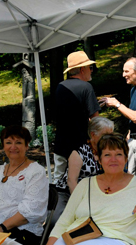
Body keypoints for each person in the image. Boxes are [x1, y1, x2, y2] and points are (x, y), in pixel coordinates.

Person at [52, 116, 114, 227]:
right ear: (93, 135)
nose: (110, 138)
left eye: (111, 135)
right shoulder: (80, 150)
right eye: (106, 135)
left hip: (95, 195)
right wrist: (82, 203)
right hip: (68, 193)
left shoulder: (108, 152)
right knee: (57, 221)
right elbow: (71, 180)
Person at [53, 51, 101, 183]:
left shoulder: (60, 87)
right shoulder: (86, 87)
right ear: (82, 69)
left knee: (58, 182)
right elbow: (96, 120)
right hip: (80, 146)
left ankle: (58, 204)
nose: (91, 71)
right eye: (89, 68)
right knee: (83, 183)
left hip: (61, 144)